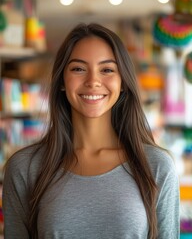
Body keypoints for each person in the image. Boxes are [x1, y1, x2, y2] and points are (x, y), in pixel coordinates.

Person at [2, 23, 180, 239]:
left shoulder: (156, 166)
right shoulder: (25, 167)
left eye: (107, 70)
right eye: (78, 68)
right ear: (62, 82)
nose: (93, 81)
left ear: (122, 81)